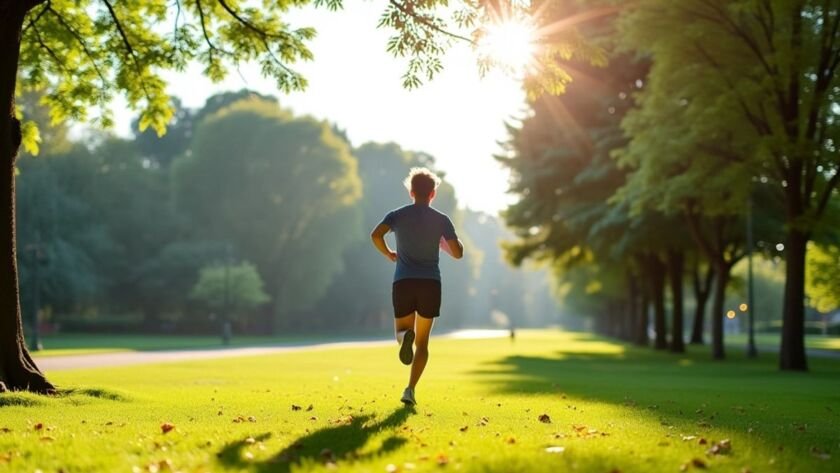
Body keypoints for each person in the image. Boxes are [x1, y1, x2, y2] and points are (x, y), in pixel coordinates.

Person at [370, 167, 464, 406]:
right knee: (423, 344)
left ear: (412, 192)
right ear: (432, 194)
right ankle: (410, 390)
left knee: (401, 334)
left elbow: (375, 235)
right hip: (430, 283)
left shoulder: (397, 214)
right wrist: (444, 244)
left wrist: (389, 253)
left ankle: (405, 337)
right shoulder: (442, 219)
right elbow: (458, 253)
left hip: (404, 281)